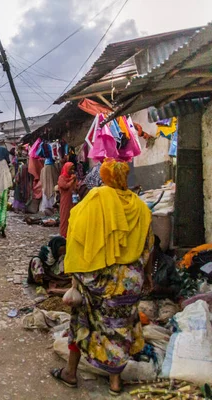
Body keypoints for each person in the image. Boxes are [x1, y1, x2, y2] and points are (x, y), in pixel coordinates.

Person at [50, 159, 153, 396]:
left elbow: (76, 230)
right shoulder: (139, 205)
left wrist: (76, 272)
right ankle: (115, 383)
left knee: (82, 321)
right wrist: (147, 275)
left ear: (105, 177)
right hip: (130, 279)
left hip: (98, 276)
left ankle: (71, 373)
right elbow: (149, 243)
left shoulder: (97, 197)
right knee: (119, 327)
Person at [57, 162, 77, 237]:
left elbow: (76, 188)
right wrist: (72, 181)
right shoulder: (61, 177)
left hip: (73, 200)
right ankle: (64, 234)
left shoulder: (72, 177)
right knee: (65, 217)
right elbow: (64, 186)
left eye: (73, 169)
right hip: (65, 200)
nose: (72, 171)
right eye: (70, 169)